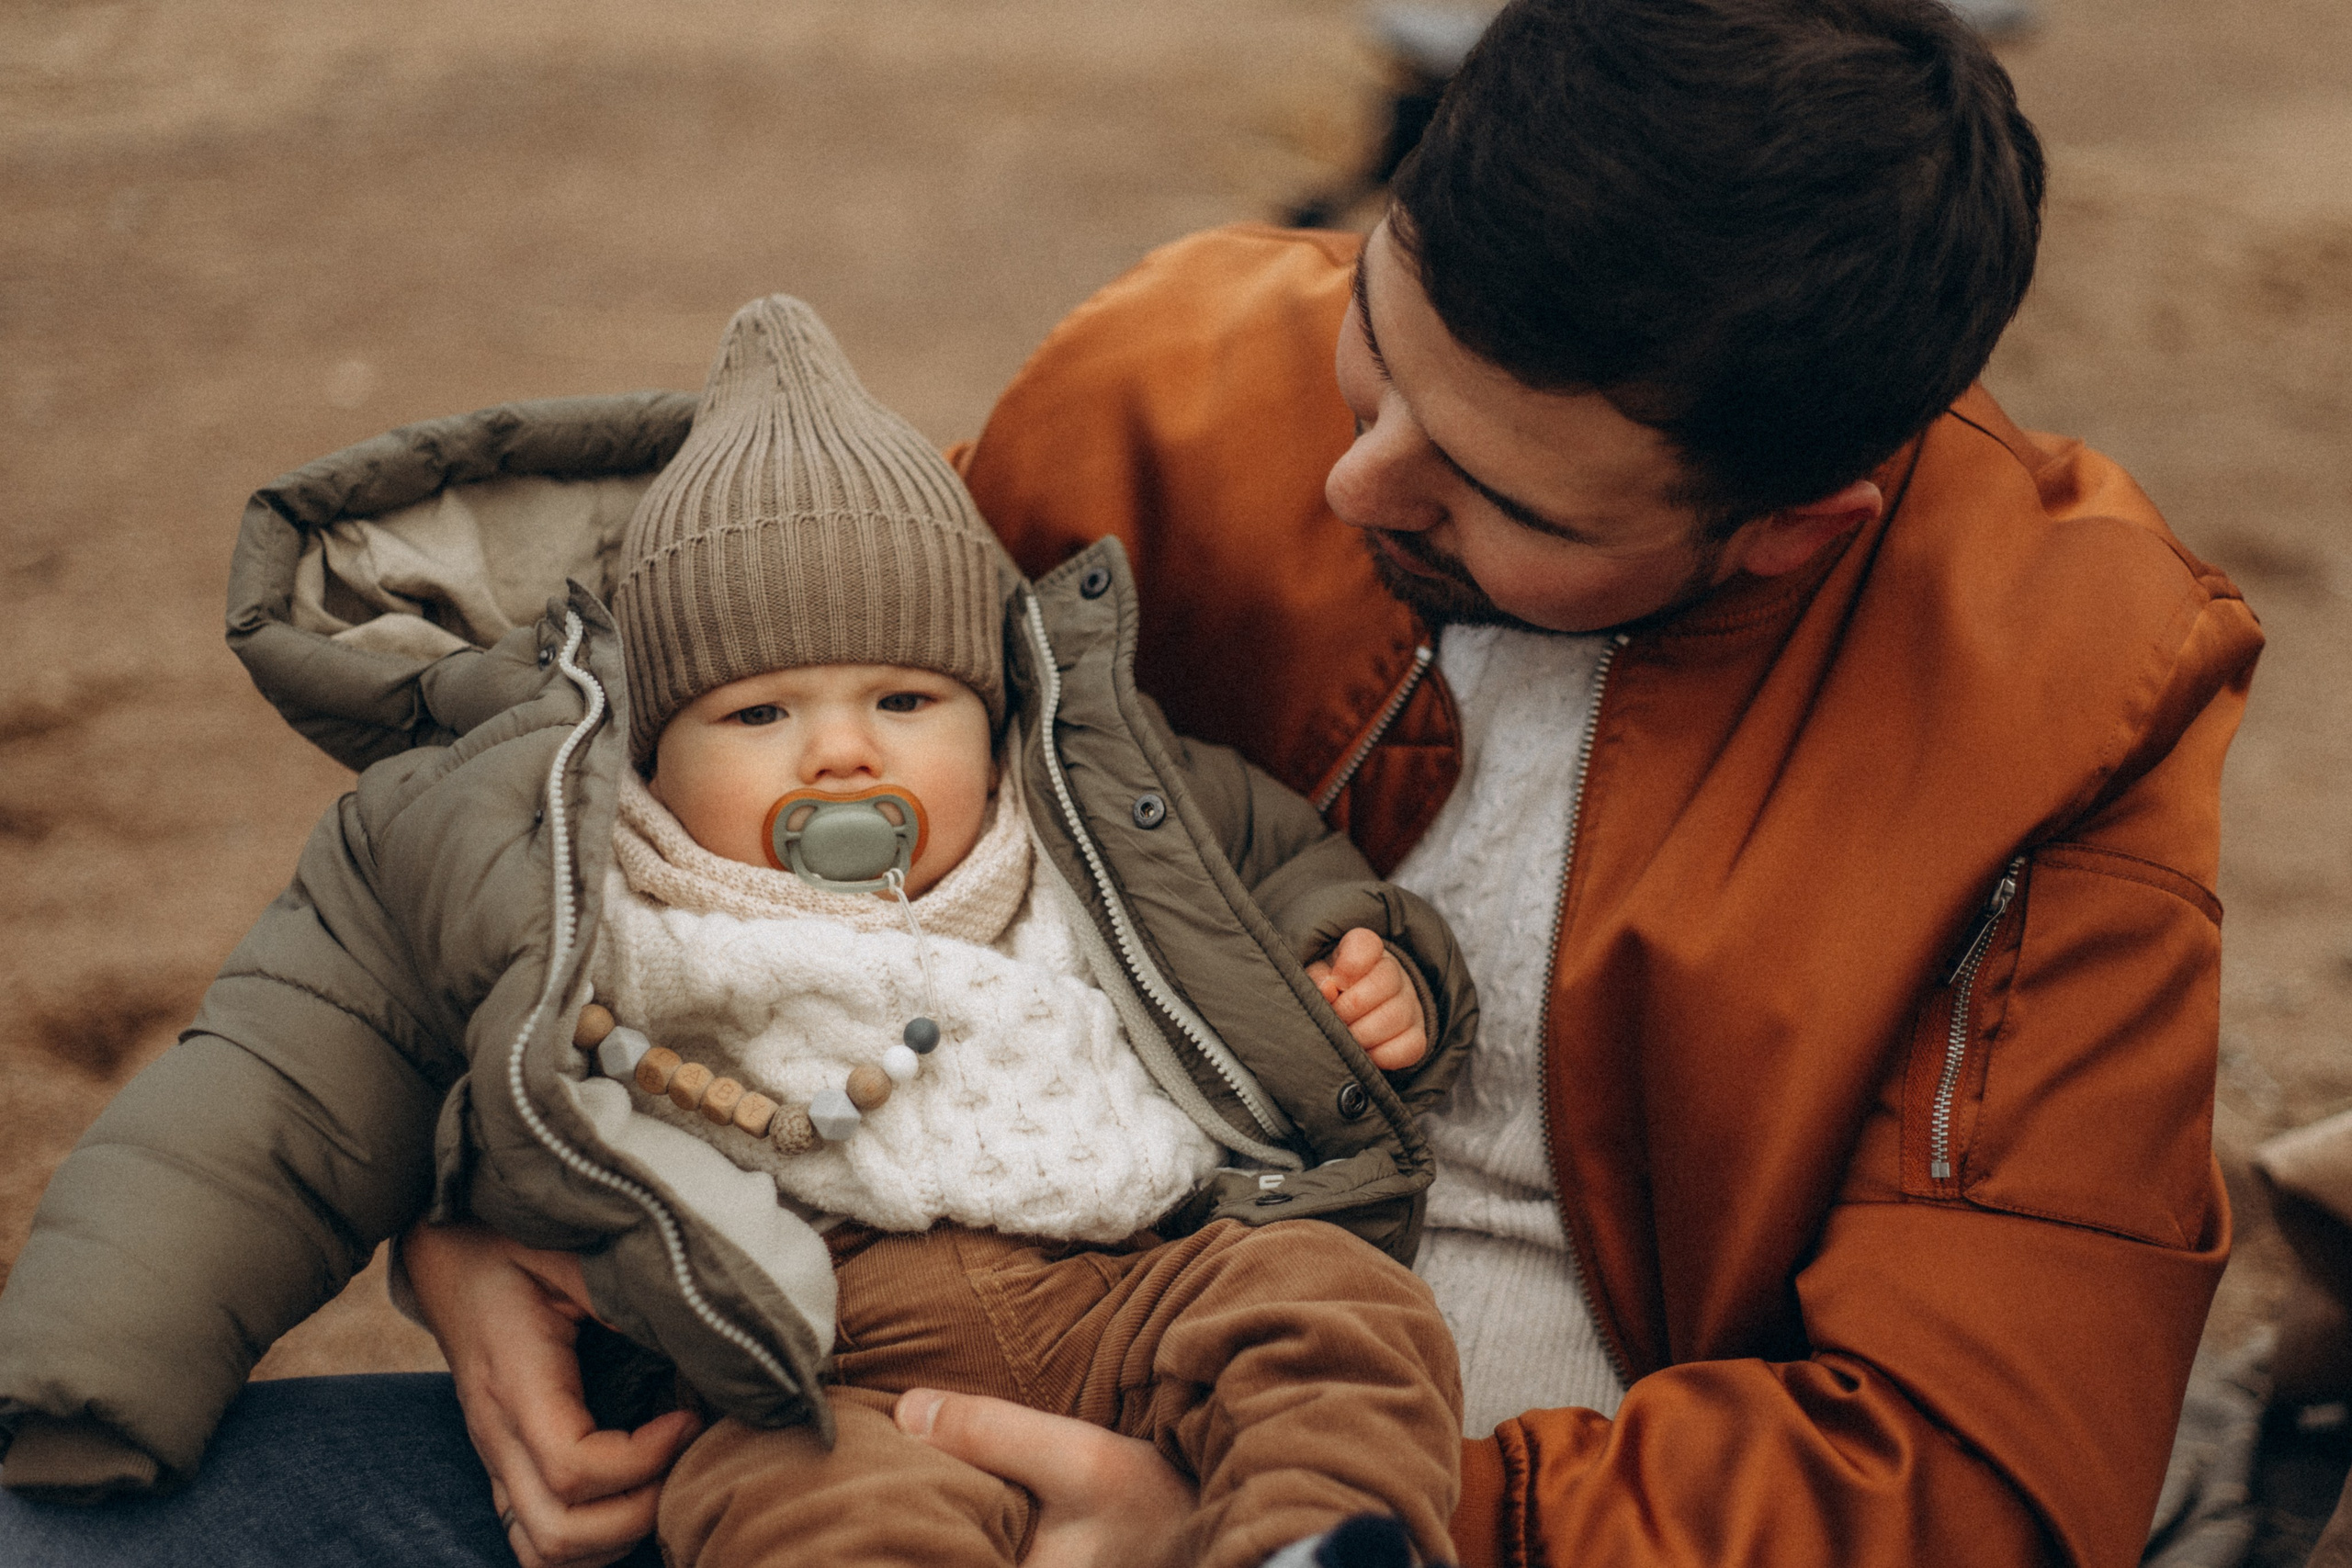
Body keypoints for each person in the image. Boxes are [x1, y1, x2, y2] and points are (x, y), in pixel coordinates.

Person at [0, 0, 2267, 1564]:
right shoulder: (1169, 391)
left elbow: (1968, 1481)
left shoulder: (2053, 704)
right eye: (1375, 343)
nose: (1358, 469)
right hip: (824, 1427)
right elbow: (686, 864)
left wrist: (1283, 1515)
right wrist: (476, 1225)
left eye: (1502, 503)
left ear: (1792, 528)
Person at [0, 296, 1481, 1568]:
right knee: (803, 1510)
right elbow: (275, 1093)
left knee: (1336, 1316)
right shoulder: (575, 878)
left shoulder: (1092, 802)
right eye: (759, 714)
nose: (844, 753)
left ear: (994, 707)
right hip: (797, 1354)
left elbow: (1279, 869)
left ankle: (1315, 1537)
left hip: (1142, 1276)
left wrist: (1370, 956)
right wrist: (90, 1366)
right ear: (651, 744)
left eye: (908, 703)